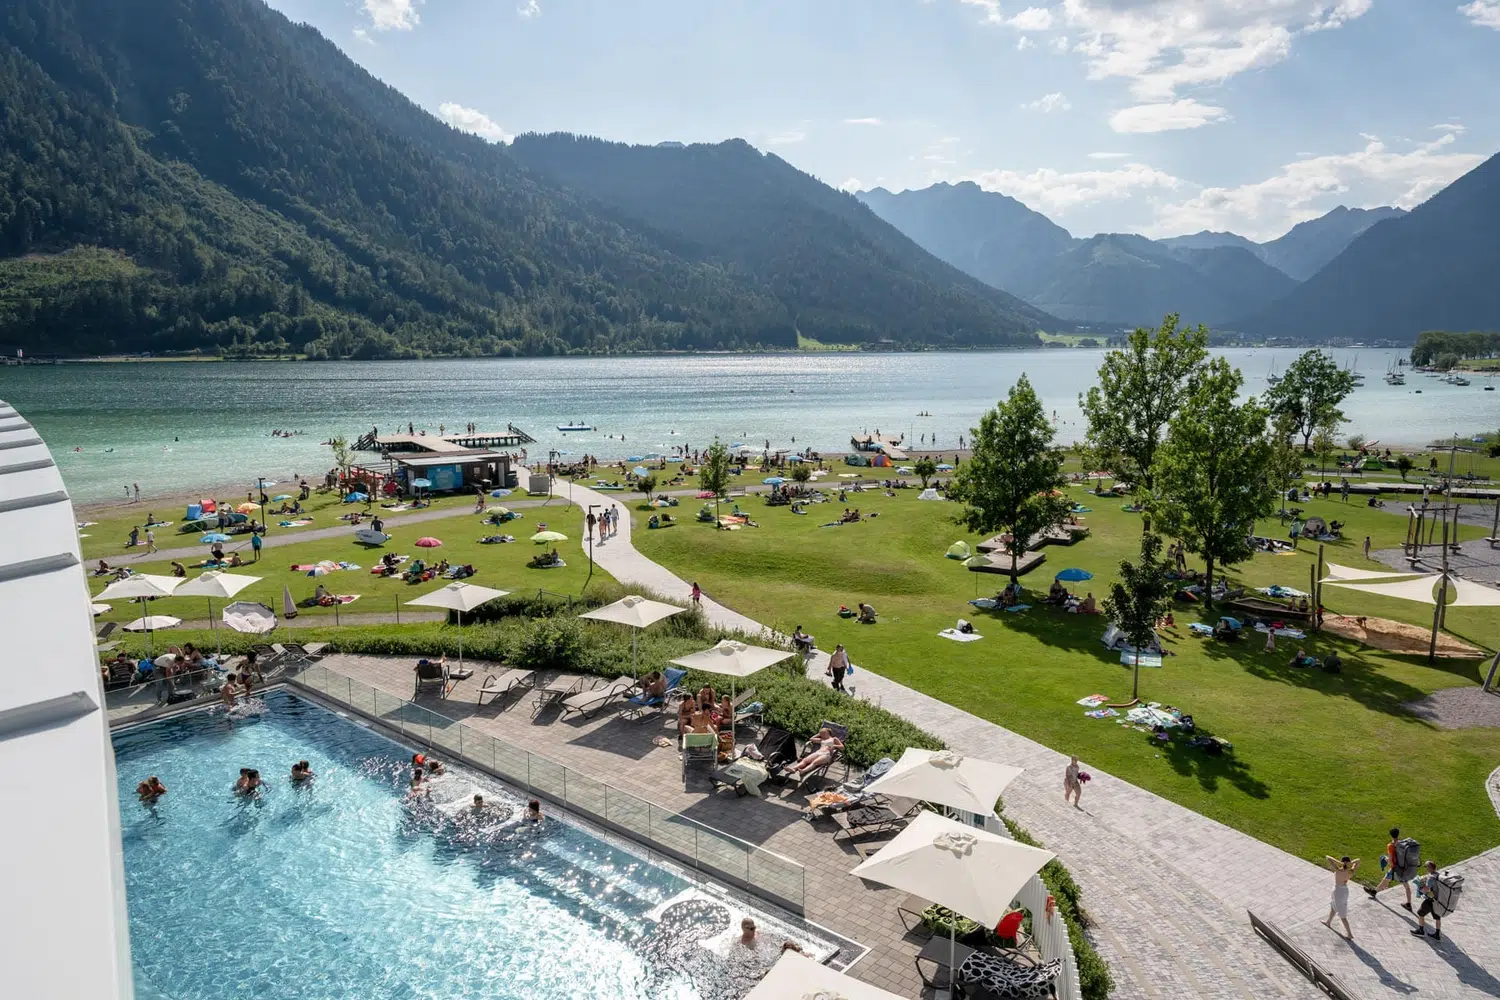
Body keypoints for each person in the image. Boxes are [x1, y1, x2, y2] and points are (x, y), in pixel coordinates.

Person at [1365, 827, 1415, 911]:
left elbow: (1391, 860)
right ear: (1398, 834)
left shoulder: (1390, 846)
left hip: (1396, 869)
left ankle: (1374, 892)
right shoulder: (1402, 843)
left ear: (1391, 835)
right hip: (1404, 867)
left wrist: (1385, 859)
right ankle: (1408, 904)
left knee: (1387, 879)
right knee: (1393, 881)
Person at [1322, 855, 1358, 938]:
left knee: (1342, 914)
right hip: (1344, 891)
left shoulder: (1338, 869)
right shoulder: (1351, 871)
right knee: (1333, 906)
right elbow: (1358, 861)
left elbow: (1328, 858)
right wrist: (1351, 863)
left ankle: (1349, 934)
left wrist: (1339, 863)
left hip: (1338, 892)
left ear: (1342, 862)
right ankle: (1328, 922)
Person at [1413, 860, 1443, 940]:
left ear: (1430, 868)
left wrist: (1420, 889)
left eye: (1426, 867)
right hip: (1439, 900)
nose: (1426, 868)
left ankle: (1421, 931)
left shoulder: (1431, 878)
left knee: (1420, 913)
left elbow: (1426, 889)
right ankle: (1437, 934)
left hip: (1431, 901)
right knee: (1437, 917)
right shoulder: (1439, 875)